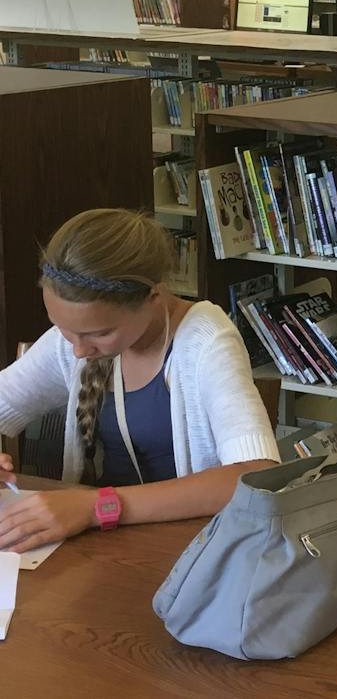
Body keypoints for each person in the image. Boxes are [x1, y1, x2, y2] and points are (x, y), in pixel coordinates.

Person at [0, 209, 279, 554]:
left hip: (192, 552)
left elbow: (255, 475)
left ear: (154, 298)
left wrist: (96, 507)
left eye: (100, 333)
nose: (77, 350)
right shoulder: (75, 339)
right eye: (63, 329)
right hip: (97, 547)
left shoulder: (205, 338)